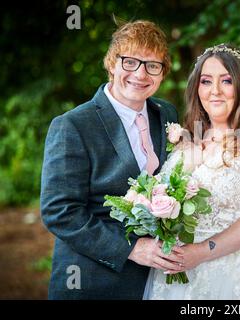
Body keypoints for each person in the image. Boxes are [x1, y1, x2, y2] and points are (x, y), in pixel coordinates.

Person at [40, 20, 184, 299]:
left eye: (152, 66)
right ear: (111, 64)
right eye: (130, 62)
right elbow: (60, 211)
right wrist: (131, 248)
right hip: (93, 281)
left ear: (162, 73)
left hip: (156, 282)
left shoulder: (166, 114)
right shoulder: (73, 126)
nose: (140, 74)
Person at [143, 44, 240, 299]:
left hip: (231, 274)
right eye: (206, 81)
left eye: (227, 81)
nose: (215, 91)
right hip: (173, 275)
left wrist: (200, 252)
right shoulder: (189, 137)